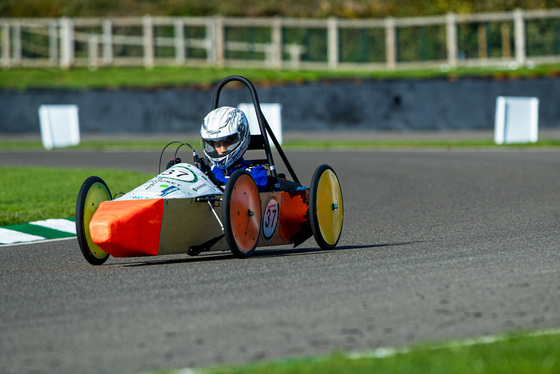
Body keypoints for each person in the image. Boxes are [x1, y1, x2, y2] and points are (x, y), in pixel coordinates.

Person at [200, 106, 268, 192]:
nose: (222, 149)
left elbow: (246, 195)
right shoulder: (207, 173)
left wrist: (218, 184)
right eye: (217, 143)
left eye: (226, 142)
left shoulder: (256, 173)